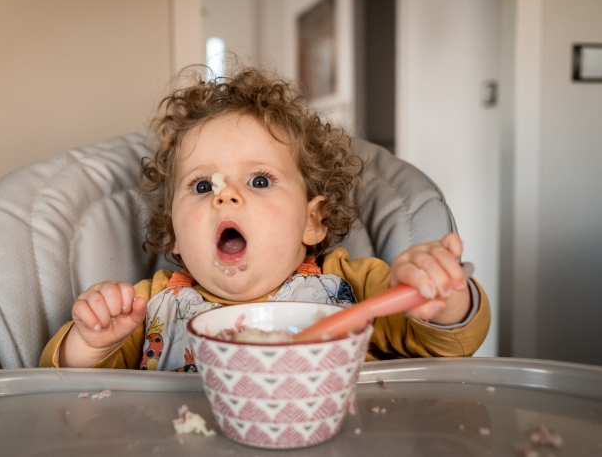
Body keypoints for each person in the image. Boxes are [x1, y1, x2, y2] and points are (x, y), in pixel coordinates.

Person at [40, 65, 490, 371]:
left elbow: (447, 344)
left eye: (258, 181)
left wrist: (440, 296)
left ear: (312, 221)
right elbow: (68, 383)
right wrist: (92, 340)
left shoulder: (352, 287)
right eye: (202, 186)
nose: (225, 198)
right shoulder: (151, 306)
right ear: (175, 234)